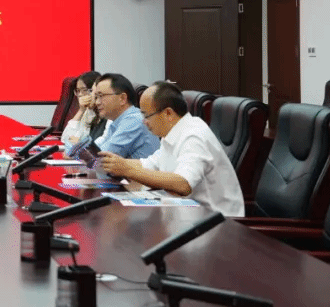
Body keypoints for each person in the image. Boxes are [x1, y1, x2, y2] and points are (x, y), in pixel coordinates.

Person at [98, 81, 244, 217]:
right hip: (187, 214)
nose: (144, 122)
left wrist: (126, 170)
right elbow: (149, 164)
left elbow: (183, 184)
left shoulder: (194, 135)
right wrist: (115, 163)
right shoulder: (171, 133)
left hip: (216, 223)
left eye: (147, 115)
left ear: (168, 113)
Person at [90, 73, 159, 158]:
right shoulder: (116, 122)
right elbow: (95, 151)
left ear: (122, 98)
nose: (97, 102)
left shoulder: (134, 120)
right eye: (96, 97)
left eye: (101, 96)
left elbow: (100, 157)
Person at [60, 70, 102, 150]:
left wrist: (78, 141)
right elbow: (65, 139)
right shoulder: (87, 111)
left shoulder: (103, 113)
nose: (80, 95)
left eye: (84, 90)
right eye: (78, 91)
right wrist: (81, 111)